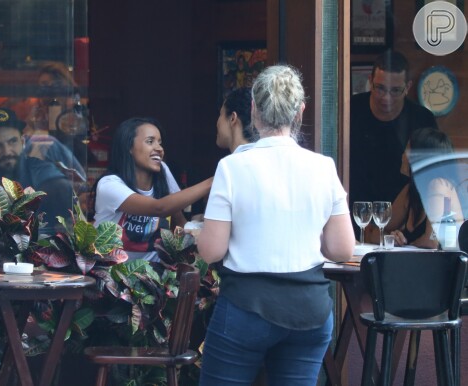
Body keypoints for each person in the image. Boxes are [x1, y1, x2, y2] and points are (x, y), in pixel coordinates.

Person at [197, 65, 354, 385]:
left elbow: (211, 251)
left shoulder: (232, 167)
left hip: (245, 307)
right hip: (308, 311)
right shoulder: (324, 168)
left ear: (253, 109)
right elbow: (341, 249)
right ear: (300, 112)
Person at [93, 117, 213, 262]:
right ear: (129, 147)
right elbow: (159, 208)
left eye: (160, 143)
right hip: (113, 275)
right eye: (150, 142)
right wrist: (212, 182)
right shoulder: (109, 185)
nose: (159, 148)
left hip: (154, 276)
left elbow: (178, 220)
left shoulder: (162, 171)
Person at [350, 50, 439, 237]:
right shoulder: (349, 110)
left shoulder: (421, 119)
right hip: (354, 211)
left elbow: (432, 175)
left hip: (404, 215)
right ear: (370, 81)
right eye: (380, 88)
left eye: (395, 91)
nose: (386, 97)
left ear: (408, 87)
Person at [0, 107, 76, 233]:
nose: (7, 151)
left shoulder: (43, 173)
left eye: (12, 141)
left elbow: (68, 219)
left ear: (22, 142)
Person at [367, 128, 463, 248]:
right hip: (419, 263)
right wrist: (392, 238)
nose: (403, 154)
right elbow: (374, 230)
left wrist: (405, 244)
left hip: (443, 265)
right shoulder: (411, 190)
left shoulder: (439, 185)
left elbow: (432, 242)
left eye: (408, 148)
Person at [216, 87, 258, 154]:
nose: (217, 123)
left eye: (220, 114)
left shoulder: (227, 163)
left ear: (232, 118)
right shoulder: (267, 159)